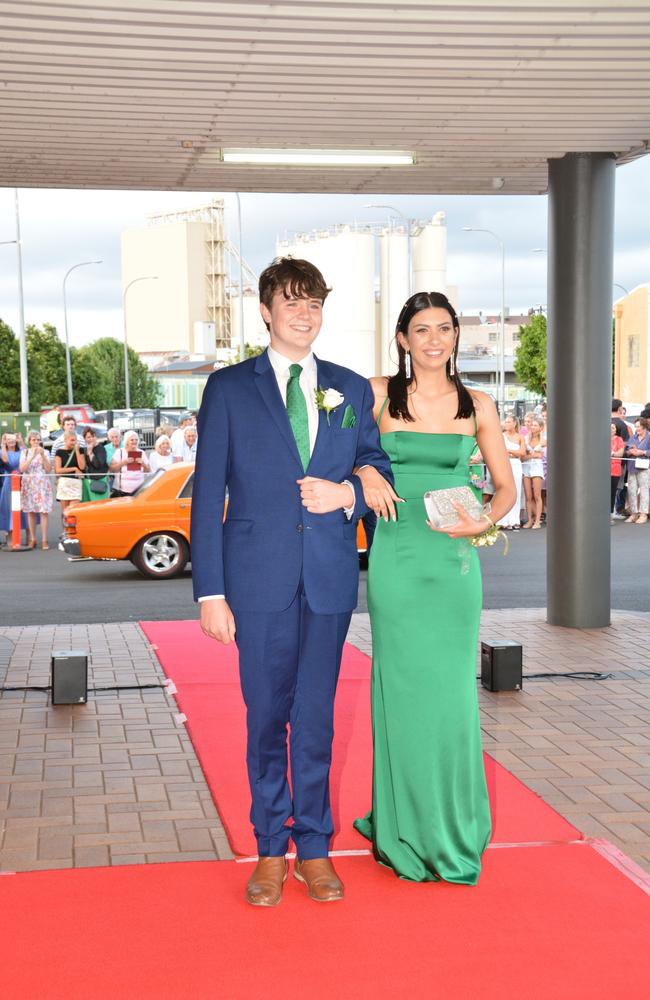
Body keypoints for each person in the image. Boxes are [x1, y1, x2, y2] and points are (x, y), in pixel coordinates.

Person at [191, 257, 392, 907]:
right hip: (257, 582)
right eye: (292, 303)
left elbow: (375, 465)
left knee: (316, 722)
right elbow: (208, 495)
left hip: (329, 579)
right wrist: (210, 592)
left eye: (314, 303)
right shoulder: (228, 388)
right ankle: (269, 851)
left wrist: (346, 494)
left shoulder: (349, 388)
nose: (305, 314)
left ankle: (314, 848)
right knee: (265, 719)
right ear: (267, 312)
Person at [352, 290, 516, 885]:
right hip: (396, 559)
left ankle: (450, 827)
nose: (433, 339)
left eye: (443, 328)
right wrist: (365, 468)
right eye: (421, 329)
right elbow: (332, 451)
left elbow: (504, 487)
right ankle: (401, 824)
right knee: (401, 693)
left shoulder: (478, 404)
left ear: (455, 336)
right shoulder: (374, 395)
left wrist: (487, 520)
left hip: (453, 564)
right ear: (403, 338)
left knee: (450, 699)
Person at [19, 430, 53, 548]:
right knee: (31, 512)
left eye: (38, 439)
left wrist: (42, 455)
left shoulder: (46, 452)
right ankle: (33, 539)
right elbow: (22, 469)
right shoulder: (25, 452)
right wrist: (32, 455)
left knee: (44, 511)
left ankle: (44, 539)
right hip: (29, 484)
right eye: (34, 440)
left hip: (42, 484)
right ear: (29, 441)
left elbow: (48, 469)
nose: (36, 442)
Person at [0, 433, 28, 546]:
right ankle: (10, 536)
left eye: (13, 439)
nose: (11, 441)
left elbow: (27, 452)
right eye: (8, 440)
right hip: (8, 482)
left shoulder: (21, 450)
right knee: (9, 509)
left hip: (22, 480)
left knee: (24, 509)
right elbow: (5, 460)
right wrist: (2, 443)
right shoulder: (3, 451)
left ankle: (28, 536)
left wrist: (21, 440)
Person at [498, 414, 526, 529]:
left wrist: (508, 451)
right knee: (504, 490)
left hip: (516, 464)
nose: (506, 424)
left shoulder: (520, 437)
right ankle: (503, 520)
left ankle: (515, 520)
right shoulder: (501, 436)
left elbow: (522, 453)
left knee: (517, 491)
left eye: (509, 422)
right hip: (504, 463)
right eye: (506, 422)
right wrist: (513, 452)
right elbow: (499, 451)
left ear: (515, 423)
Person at [624, 417, 650, 524]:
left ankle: (643, 514)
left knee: (644, 490)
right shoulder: (633, 437)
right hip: (632, 467)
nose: (637, 428)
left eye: (638, 426)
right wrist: (630, 451)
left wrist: (643, 452)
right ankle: (634, 514)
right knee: (632, 491)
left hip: (644, 468)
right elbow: (626, 450)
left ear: (644, 427)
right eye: (636, 426)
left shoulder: (649, 437)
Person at [54, 430, 86, 518]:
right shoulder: (59, 452)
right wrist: (74, 468)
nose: (74, 442)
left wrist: (77, 452)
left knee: (73, 512)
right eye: (72, 440)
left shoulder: (80, 450)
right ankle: (66, 531)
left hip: (76, 484)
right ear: (65, 440)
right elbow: (58, 470)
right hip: (64, 483)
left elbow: (82, 467)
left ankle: (73, 531)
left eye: (75, 440)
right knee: (65, 513)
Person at [109, 430, 150, 496]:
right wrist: (123, 462)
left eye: (136, 440)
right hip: (122, 490)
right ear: (127, 441)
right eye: (132, 440)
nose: (134, 441)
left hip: (139, 489)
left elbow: (148, 471)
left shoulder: (142, 453)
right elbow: (112, 469)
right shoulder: (119, 452)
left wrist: (143, 464)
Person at [522, 416, 545, 528]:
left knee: (537, 495)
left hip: (537, 468)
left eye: (535, 425)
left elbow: (542, 455)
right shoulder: (526, 438)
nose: (532, 427)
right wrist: (534, 455)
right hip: (526, 467)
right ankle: (530, 520)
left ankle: (537, 521)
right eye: (532, 425)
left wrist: (533, 455)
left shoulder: (543, 439)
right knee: (528, 496)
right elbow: (523, 456)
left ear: (541, 427)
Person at [81, 428, 110, 501]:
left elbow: (98, 465)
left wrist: (90, 453)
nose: (91, 439)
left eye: (93, 436)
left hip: (99, 480)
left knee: (98, 504)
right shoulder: (84, 450)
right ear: (85, 439)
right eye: (88, 437)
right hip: (87, 481)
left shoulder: (101, 448)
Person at [610, 422, 626, 524]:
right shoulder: (601, 438)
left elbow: (620, 453)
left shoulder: (619, 440)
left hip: (614, 469)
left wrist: (612, 453)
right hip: (602, 469)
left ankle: (610, 515)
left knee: (612, 493)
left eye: (613, 427)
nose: (611, 429)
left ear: (616, 430)